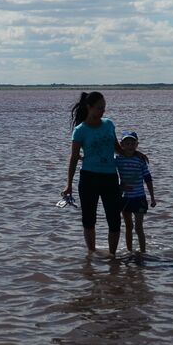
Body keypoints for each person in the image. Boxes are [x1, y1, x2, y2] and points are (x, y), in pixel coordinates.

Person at [61, 91, 122, 259]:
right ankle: (91, 255)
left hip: (110, 177)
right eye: (99, 108)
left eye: (104, 107)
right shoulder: (80, 131)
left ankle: (112, 257)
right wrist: (68, 184)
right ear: (89, 107)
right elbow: (74, 158)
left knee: (114, 220)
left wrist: (135, 154)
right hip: (89, 178)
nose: (103, 111)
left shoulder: (109, 124)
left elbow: (117, 148)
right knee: (89, 220)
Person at [115, 131, 156, 255]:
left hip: (139, 198)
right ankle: (129, 251)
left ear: (136, 145)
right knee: (128, 226)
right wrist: (119, 187)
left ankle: (143, 253)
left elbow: (147, 178)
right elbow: (108, 173)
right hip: (125, 198)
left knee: (139, 227)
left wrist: (152, 197)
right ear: (122, 145)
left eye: (133, 143)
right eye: (127, 143)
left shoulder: (140, 160)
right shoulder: (118, 159)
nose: (130, 146)